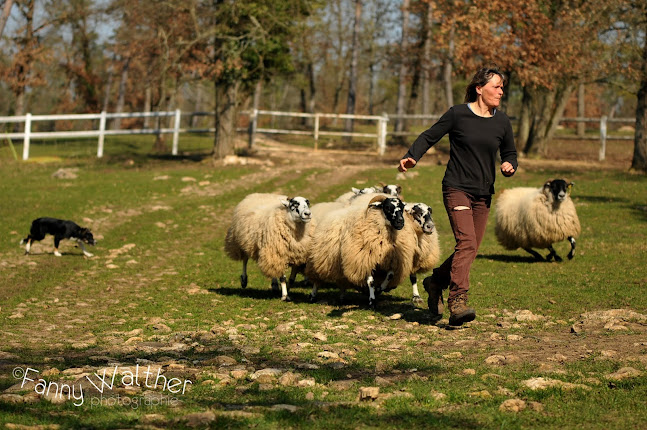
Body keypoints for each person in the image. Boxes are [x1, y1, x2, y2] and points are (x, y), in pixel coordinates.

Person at [398, 65, 518, 326]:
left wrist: (510, 165)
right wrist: (412, 155)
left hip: (483, 193)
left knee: (470, 248)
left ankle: (435, 282)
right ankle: (457, 301)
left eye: (502, 87)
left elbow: (510, 152)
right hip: (456, 188)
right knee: (466, 244)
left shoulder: (502, 121)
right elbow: (430, 136)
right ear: (479, 89)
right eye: (496, 86)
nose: (501, 91)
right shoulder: (458, 115)